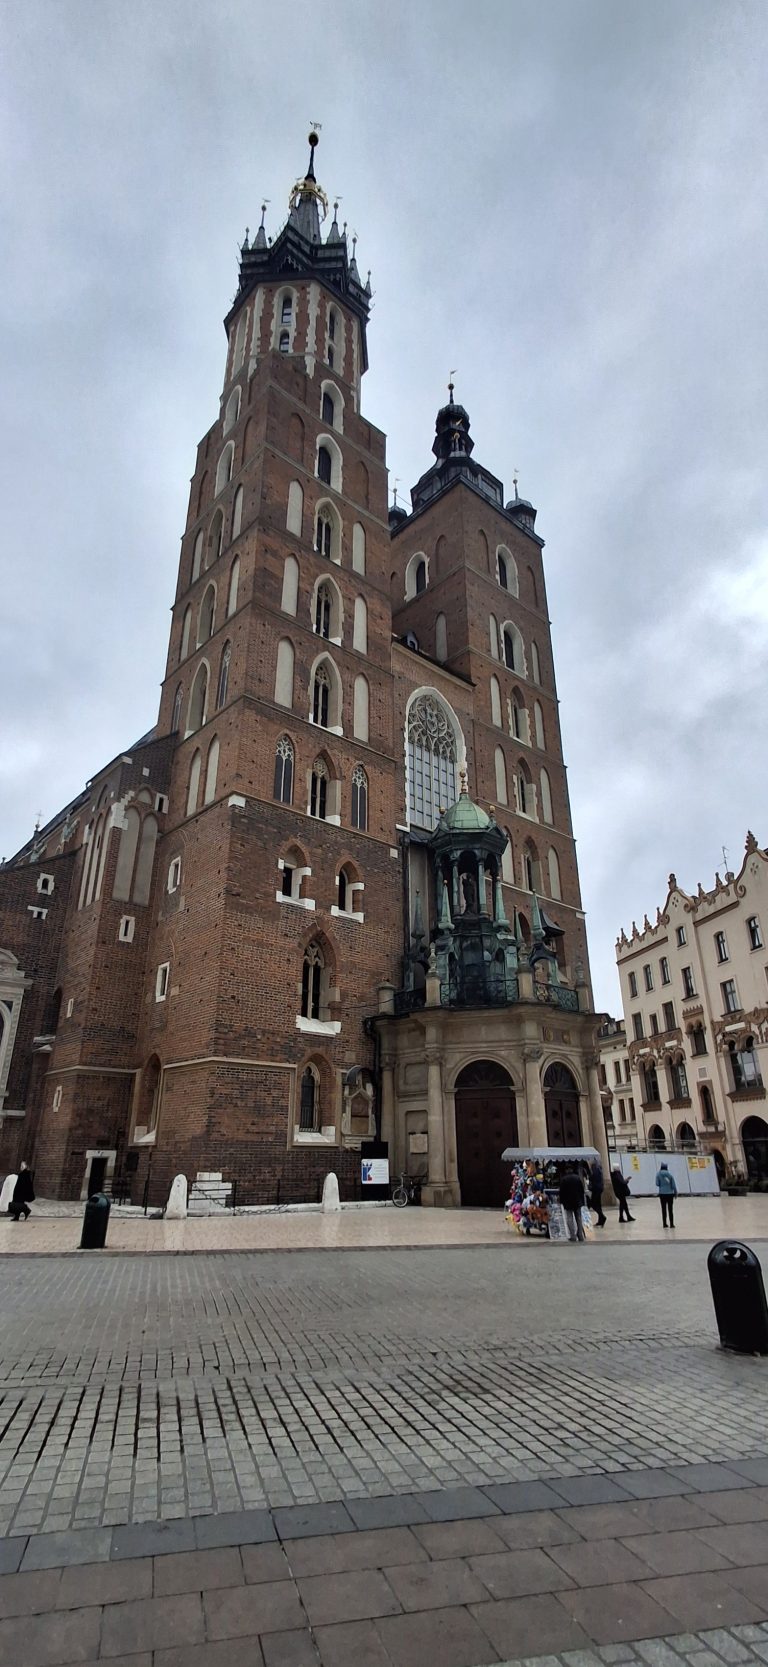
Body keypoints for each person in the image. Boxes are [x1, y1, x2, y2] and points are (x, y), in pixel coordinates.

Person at [558, 1167, 586, 1242]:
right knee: (579, 1218)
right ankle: (580, 1235)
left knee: (569, 1219)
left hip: (568, 1202)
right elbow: (581, 1190)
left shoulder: (564, 1179)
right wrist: (582, 1201)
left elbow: (561, 1192)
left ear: (566, 1171)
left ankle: (572, 1235)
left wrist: (562, 1201)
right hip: (577, 1201)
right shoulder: (577, 1178)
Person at [655, 1160, 677, 1228]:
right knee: (670, 1209)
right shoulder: (670, 1175)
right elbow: (673, 1185)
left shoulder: (658, 1174)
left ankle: (664, 1224)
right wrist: (675, 1193)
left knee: (663, 1209)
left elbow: (657, 1184)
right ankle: (672, 1224)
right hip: (670, 1194)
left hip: (662, 1194)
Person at [589, 1157, 607, 1227]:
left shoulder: (595, 1170)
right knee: (598, 1204)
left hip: (596, 1189)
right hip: (599, 1188)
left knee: (593, 1204)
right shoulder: (599, 1169)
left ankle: (602, 1216)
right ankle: (600, 1220)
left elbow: (593, 1178)